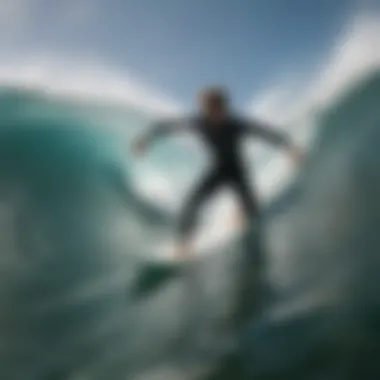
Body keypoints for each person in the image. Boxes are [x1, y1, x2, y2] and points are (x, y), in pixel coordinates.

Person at [132, 86, 304, 260]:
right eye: (207, 108)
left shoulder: (235, 125)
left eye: (217, 108)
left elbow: (263, 131)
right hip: (217, 170)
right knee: (191, 204)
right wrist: (146, 139)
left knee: (252, 212)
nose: (213, 113)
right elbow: (168, 127)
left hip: (237, 171)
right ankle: (184, 245)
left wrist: (288, 147)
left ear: (224, 108)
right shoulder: (199, 123)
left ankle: (240, 216)